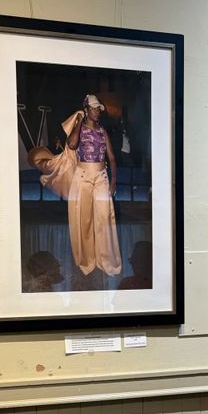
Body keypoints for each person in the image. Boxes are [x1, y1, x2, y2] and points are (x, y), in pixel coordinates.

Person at [29, 94, 122, 278]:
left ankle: (106, 261)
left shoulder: (102, 131)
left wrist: (113, 182)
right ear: (86, 110)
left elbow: (111, 158)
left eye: (98, 108)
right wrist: (79, 121)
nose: (97, 111)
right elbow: (71, 145)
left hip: (101, 177)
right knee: (84, 219)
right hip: (83, 176)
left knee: (104, 218)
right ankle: (87, 262)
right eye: (93, 108)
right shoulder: (80, 130)